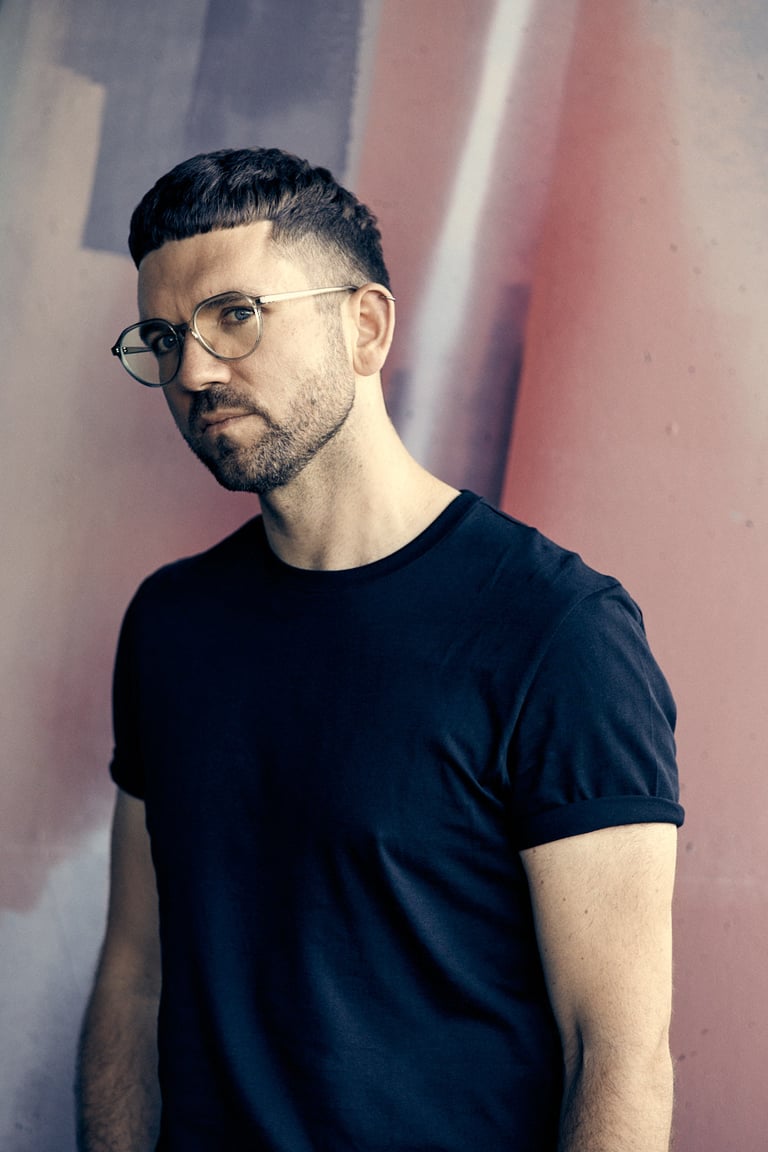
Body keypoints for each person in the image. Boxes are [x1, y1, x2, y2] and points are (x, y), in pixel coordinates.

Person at [76, 146, 683, 1152]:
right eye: (164, 334)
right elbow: (135, 975)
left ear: (364, 326)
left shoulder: (553, 632)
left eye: (237, 315)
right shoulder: (170, 625)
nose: (192, 370)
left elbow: (616, 1053)